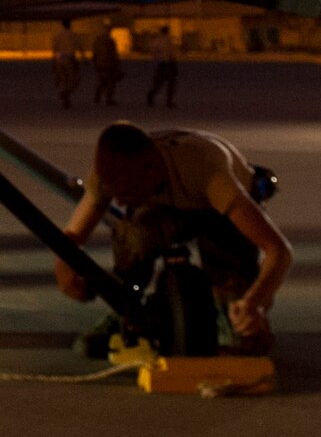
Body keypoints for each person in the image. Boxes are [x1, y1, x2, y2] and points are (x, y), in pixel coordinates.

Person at [55, 122, 291, 357]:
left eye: (126, 194)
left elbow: (278, 250)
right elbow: (73, 235)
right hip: (165, 206)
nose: (118, 203)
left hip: (218, 212)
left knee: (244, 335)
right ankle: (126, 307)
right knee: (134, 232)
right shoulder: (112, 171)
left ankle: (229, 307)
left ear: (152, 172)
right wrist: (64, 266)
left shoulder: (208, 173)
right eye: (114, 194)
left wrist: (254, 302)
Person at [51, 17, 82, 109]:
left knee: (63, 79)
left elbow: (55, 49)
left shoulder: (58, 35)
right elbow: (79, 47)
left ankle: (64, 95)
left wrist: (53, 62)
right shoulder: (72, 34)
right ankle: (65, 95)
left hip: (60, 59)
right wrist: (84, 59)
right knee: (72, 79)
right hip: (69, 58)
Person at [145, 26, 179, 108]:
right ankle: (167, 100)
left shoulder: (159, 39)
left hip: (163, 63)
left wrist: (156, 56)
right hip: (166, 63)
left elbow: (153, 49)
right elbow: (172, 51)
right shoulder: (167, 40)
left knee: (161, 82)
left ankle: (152, 96)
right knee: (169, 82)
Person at [90, 24, 122, 106]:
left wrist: (94, 62)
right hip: (109, 63)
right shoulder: (110, 41)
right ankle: (108, 98)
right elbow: (113, 53)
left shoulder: (98, 40)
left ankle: (97, 97)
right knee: (110, 81)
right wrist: (117, 63)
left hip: (100, 63)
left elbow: (94, 52)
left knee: (102, 80)